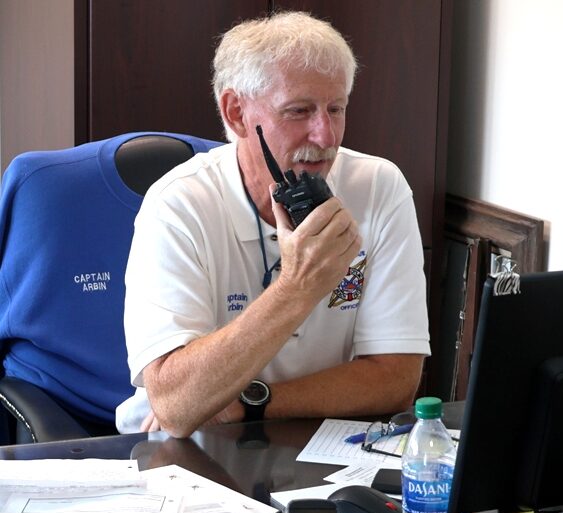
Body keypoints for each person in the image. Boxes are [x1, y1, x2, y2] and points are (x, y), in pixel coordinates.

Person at [115, 11, 430, 438]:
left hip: (322, 441)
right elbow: (176, 406)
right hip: (188, 452)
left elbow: (396, 379)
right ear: (237, 113)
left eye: (335, 109)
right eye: (299, 111)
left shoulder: (379, 186)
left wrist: (252, 401)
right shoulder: (177, 205)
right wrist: (295, 289)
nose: (325, 136)